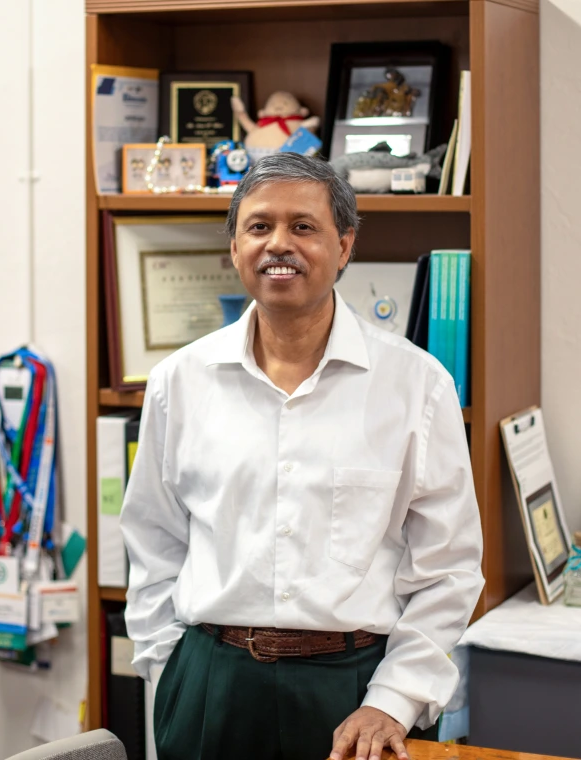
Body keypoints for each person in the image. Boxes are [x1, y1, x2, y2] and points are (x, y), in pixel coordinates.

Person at [120, 152, 484, 760]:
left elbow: (449, 570)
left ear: (344, 246)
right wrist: (171, 671)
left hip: (357, 693)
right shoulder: (178, 381)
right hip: (211, 682)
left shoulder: (416, 384)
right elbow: (153, 545)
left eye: (303, 227)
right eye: (259, 227)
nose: (278, 245)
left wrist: (391, 700)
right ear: (234, 246)